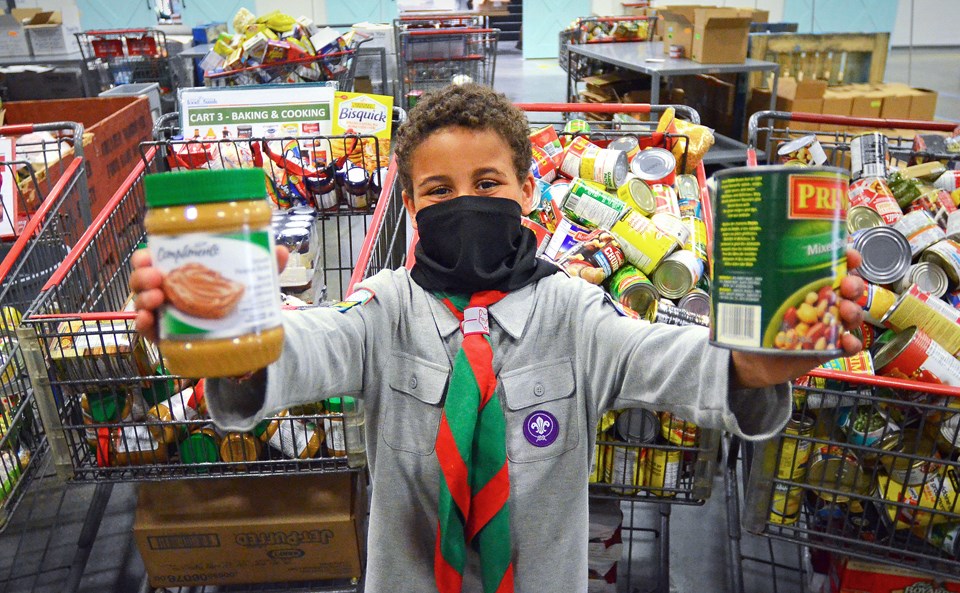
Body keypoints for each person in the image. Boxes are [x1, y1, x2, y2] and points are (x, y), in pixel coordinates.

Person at [130, 84, 865, 593]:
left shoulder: (575, 313)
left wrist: (757, 363)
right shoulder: (384, 309)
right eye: (438, 191)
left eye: (488, 182)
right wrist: (227, 335)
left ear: (526, 193)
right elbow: (305, 349)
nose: (466, 203)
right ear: (412, 205)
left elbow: (667, 361)